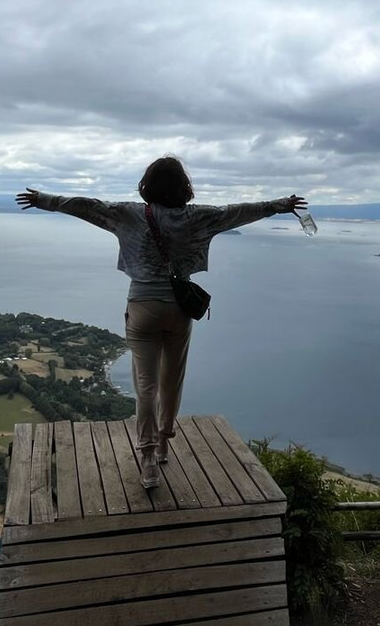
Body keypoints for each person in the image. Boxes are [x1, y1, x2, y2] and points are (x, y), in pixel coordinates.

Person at [16, 156, 306, 490]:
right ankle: (165, 441)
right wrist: (280, 205)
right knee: (172, 381)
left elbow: (88, 206)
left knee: (146, 385)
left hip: (142, 307)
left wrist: (44, 201)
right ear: (185, 187)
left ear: (147, 185)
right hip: (179, 309)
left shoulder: (130, 214)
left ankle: (149, 459)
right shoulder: (198, 217)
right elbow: (236, 212)